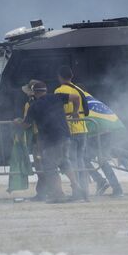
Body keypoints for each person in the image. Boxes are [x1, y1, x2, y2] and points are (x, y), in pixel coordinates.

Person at [15, 81, 85, 202]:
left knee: (50, 167)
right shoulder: (56, 97)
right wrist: (75, 111)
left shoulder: (34, 106)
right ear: (46, 90)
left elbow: (26, 125)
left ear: (34, 93)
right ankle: (76, 187)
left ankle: (59, 195)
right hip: (65, 136)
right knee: (64, 162)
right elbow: (76, 97)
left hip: (51, 140)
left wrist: (17, 123)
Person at [55, 66, 90, 197]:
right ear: (72, 76)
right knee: (81, 160)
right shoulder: (79, 90)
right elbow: (86, 110)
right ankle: (85, 191)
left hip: (69, 130)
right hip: (83, 128)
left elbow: (58, 109)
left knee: (71, 161)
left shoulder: (59, 90)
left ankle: (77, 192)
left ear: (59, 77)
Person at [21, 79, 47, 201]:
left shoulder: (30, 104)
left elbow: (27, 122)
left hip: (39, 137)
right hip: (50, 136)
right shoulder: (49, 100)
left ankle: (42, 193)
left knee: (39, 166)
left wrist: (17, 123)